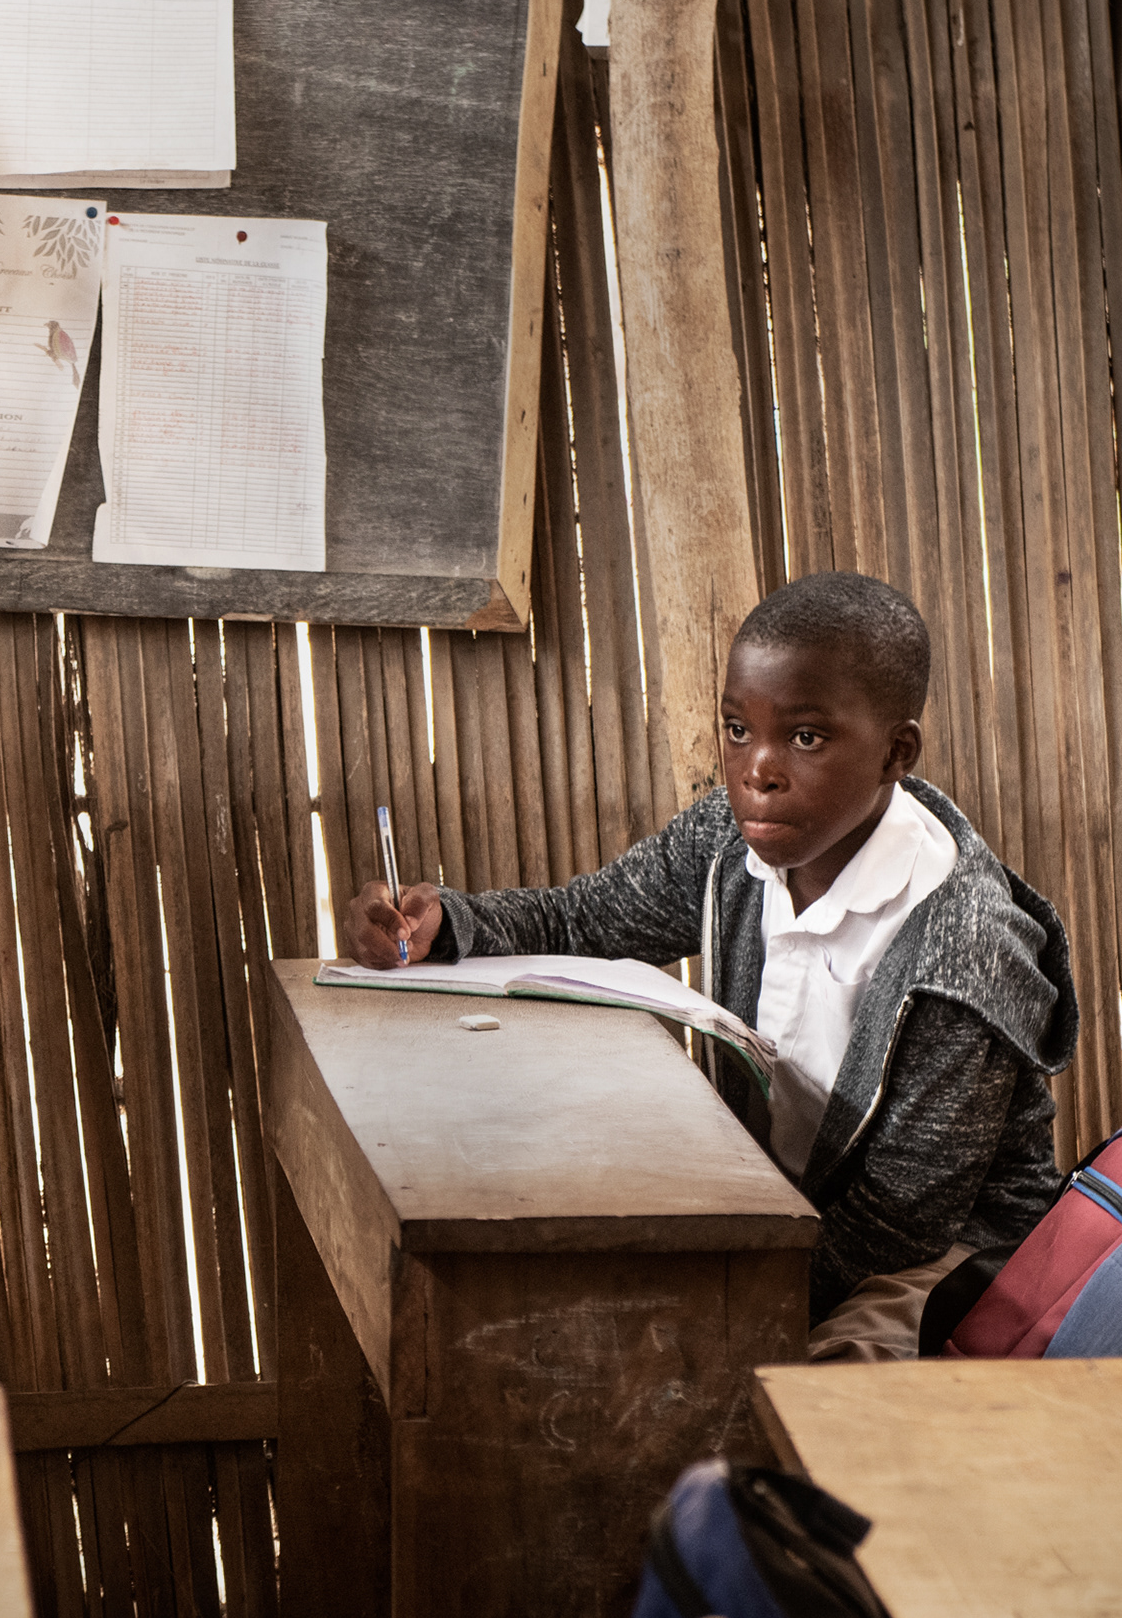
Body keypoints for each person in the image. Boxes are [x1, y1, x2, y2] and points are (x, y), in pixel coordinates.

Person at [346, 571, 1077, 1360]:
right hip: (788, 1213)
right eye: (737, 729)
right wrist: (446, 923)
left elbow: (895, 1225)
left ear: (895, 752)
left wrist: (705, 1307)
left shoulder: (964, 951)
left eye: (805, 738)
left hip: (948, 1263)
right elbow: (587, 917)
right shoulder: (736, 841)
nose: (757, 769)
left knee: (803, 1394)